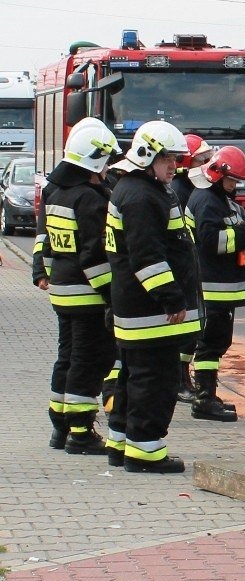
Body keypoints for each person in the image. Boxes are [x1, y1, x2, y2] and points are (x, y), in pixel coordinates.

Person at [106, 120, 199, 473]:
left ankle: (120, 443)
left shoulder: (137, 188)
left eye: (176, 159)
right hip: (151, 313)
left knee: (131, 377)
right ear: (146, 155)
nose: (174, 167)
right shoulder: (142, 196)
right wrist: (171, 299)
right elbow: (147, 256)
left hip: (136, 308)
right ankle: (145, 452)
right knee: (156, 381)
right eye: (167, 160)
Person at [31, 118, 121, 454]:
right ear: (94, 162)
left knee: (66, 357)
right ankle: (81, 432)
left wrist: (47, 274)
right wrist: (111, 295)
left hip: (64, 291)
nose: (109, 167)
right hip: (87, 293)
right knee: (89, 359)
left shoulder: (57, 193)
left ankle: (60, 426)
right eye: (106, 161)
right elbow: (94, 256)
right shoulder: (89, 200)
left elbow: (48, 243)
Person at [186, 145, 245, 422]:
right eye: (232, 181)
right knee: (210, 344)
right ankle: (204, 399)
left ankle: (207, 394)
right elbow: (212, 242)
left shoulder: (219, 199)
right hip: (213, 287)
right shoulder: (208, 201)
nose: (235, 186)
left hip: (222, 286)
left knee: (218, 342)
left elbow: (230, 228)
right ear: (218, 175)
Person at [171, 133, 214, 403]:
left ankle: (182, 378)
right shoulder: (180, 191)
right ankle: (179, 380)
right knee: (187, 332)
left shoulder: (192, 188)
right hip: (182, 272)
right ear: (188, 162)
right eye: (204, 158)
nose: (210, 162)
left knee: (193, 330)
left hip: (191, 268)